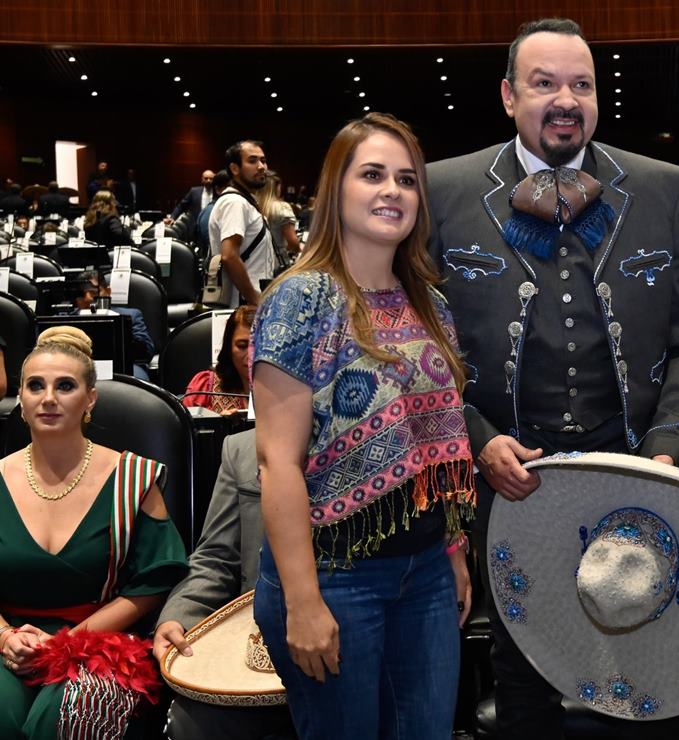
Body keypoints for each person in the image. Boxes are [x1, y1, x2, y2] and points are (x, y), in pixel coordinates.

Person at [426, 17, 679, 739]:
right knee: (523, 675)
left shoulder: (662, 188)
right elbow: (422, 353)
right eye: (544, 83)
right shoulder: (443, 190)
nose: (565, 99)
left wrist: (667, 449)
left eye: (580, 84)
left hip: (640, 469)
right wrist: (479, 440)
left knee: (652, 669)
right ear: (507, 95)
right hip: (510, 481)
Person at [251, 112, 475, 739]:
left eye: (407, 180)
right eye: (372, 174)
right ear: (335, 190)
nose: (392, 191)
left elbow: (434, 447)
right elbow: (277, 463)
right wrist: (301, 600)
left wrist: (453, 551)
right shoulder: (302, 300)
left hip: (426, 570)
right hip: (333, 576)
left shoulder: (429, 301)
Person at [0, 326, 187, 740]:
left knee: (62, 720)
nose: (48, 398)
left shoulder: (133, 478)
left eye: (65, 386)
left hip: (97, 641)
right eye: (36, 386)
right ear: (21, 402)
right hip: (7, 641)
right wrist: (4, 636)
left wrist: (62, 643)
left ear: (90, 400)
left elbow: (151, 584)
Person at [152, 430, 297, 740]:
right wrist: (179, 615)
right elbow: (216, 557)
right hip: (258, 646)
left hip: (356, 638)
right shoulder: (241, 449)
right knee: (190, 722)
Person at [209, 140, 274, 306]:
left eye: (263, 160)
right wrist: (255, 300)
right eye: (252, 161)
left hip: (249, 301)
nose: (261, 166)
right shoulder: (235, 202)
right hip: (242, 305)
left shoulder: (245, 201)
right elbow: (230, 255)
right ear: (234, 168)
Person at [181, 305, 254, 414]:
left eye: (259, 345)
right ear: (228, 348)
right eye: (242, 346)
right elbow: (187, 430)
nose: (251, 355)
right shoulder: (205, 389)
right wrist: (218, 425)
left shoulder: (286, 388)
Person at [258, 170, 301, 268]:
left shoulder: (252, 206)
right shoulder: (282, 208)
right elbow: (292, 242)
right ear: (276, 187)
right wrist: (299, 248)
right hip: (277, 263)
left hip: (256, 264)